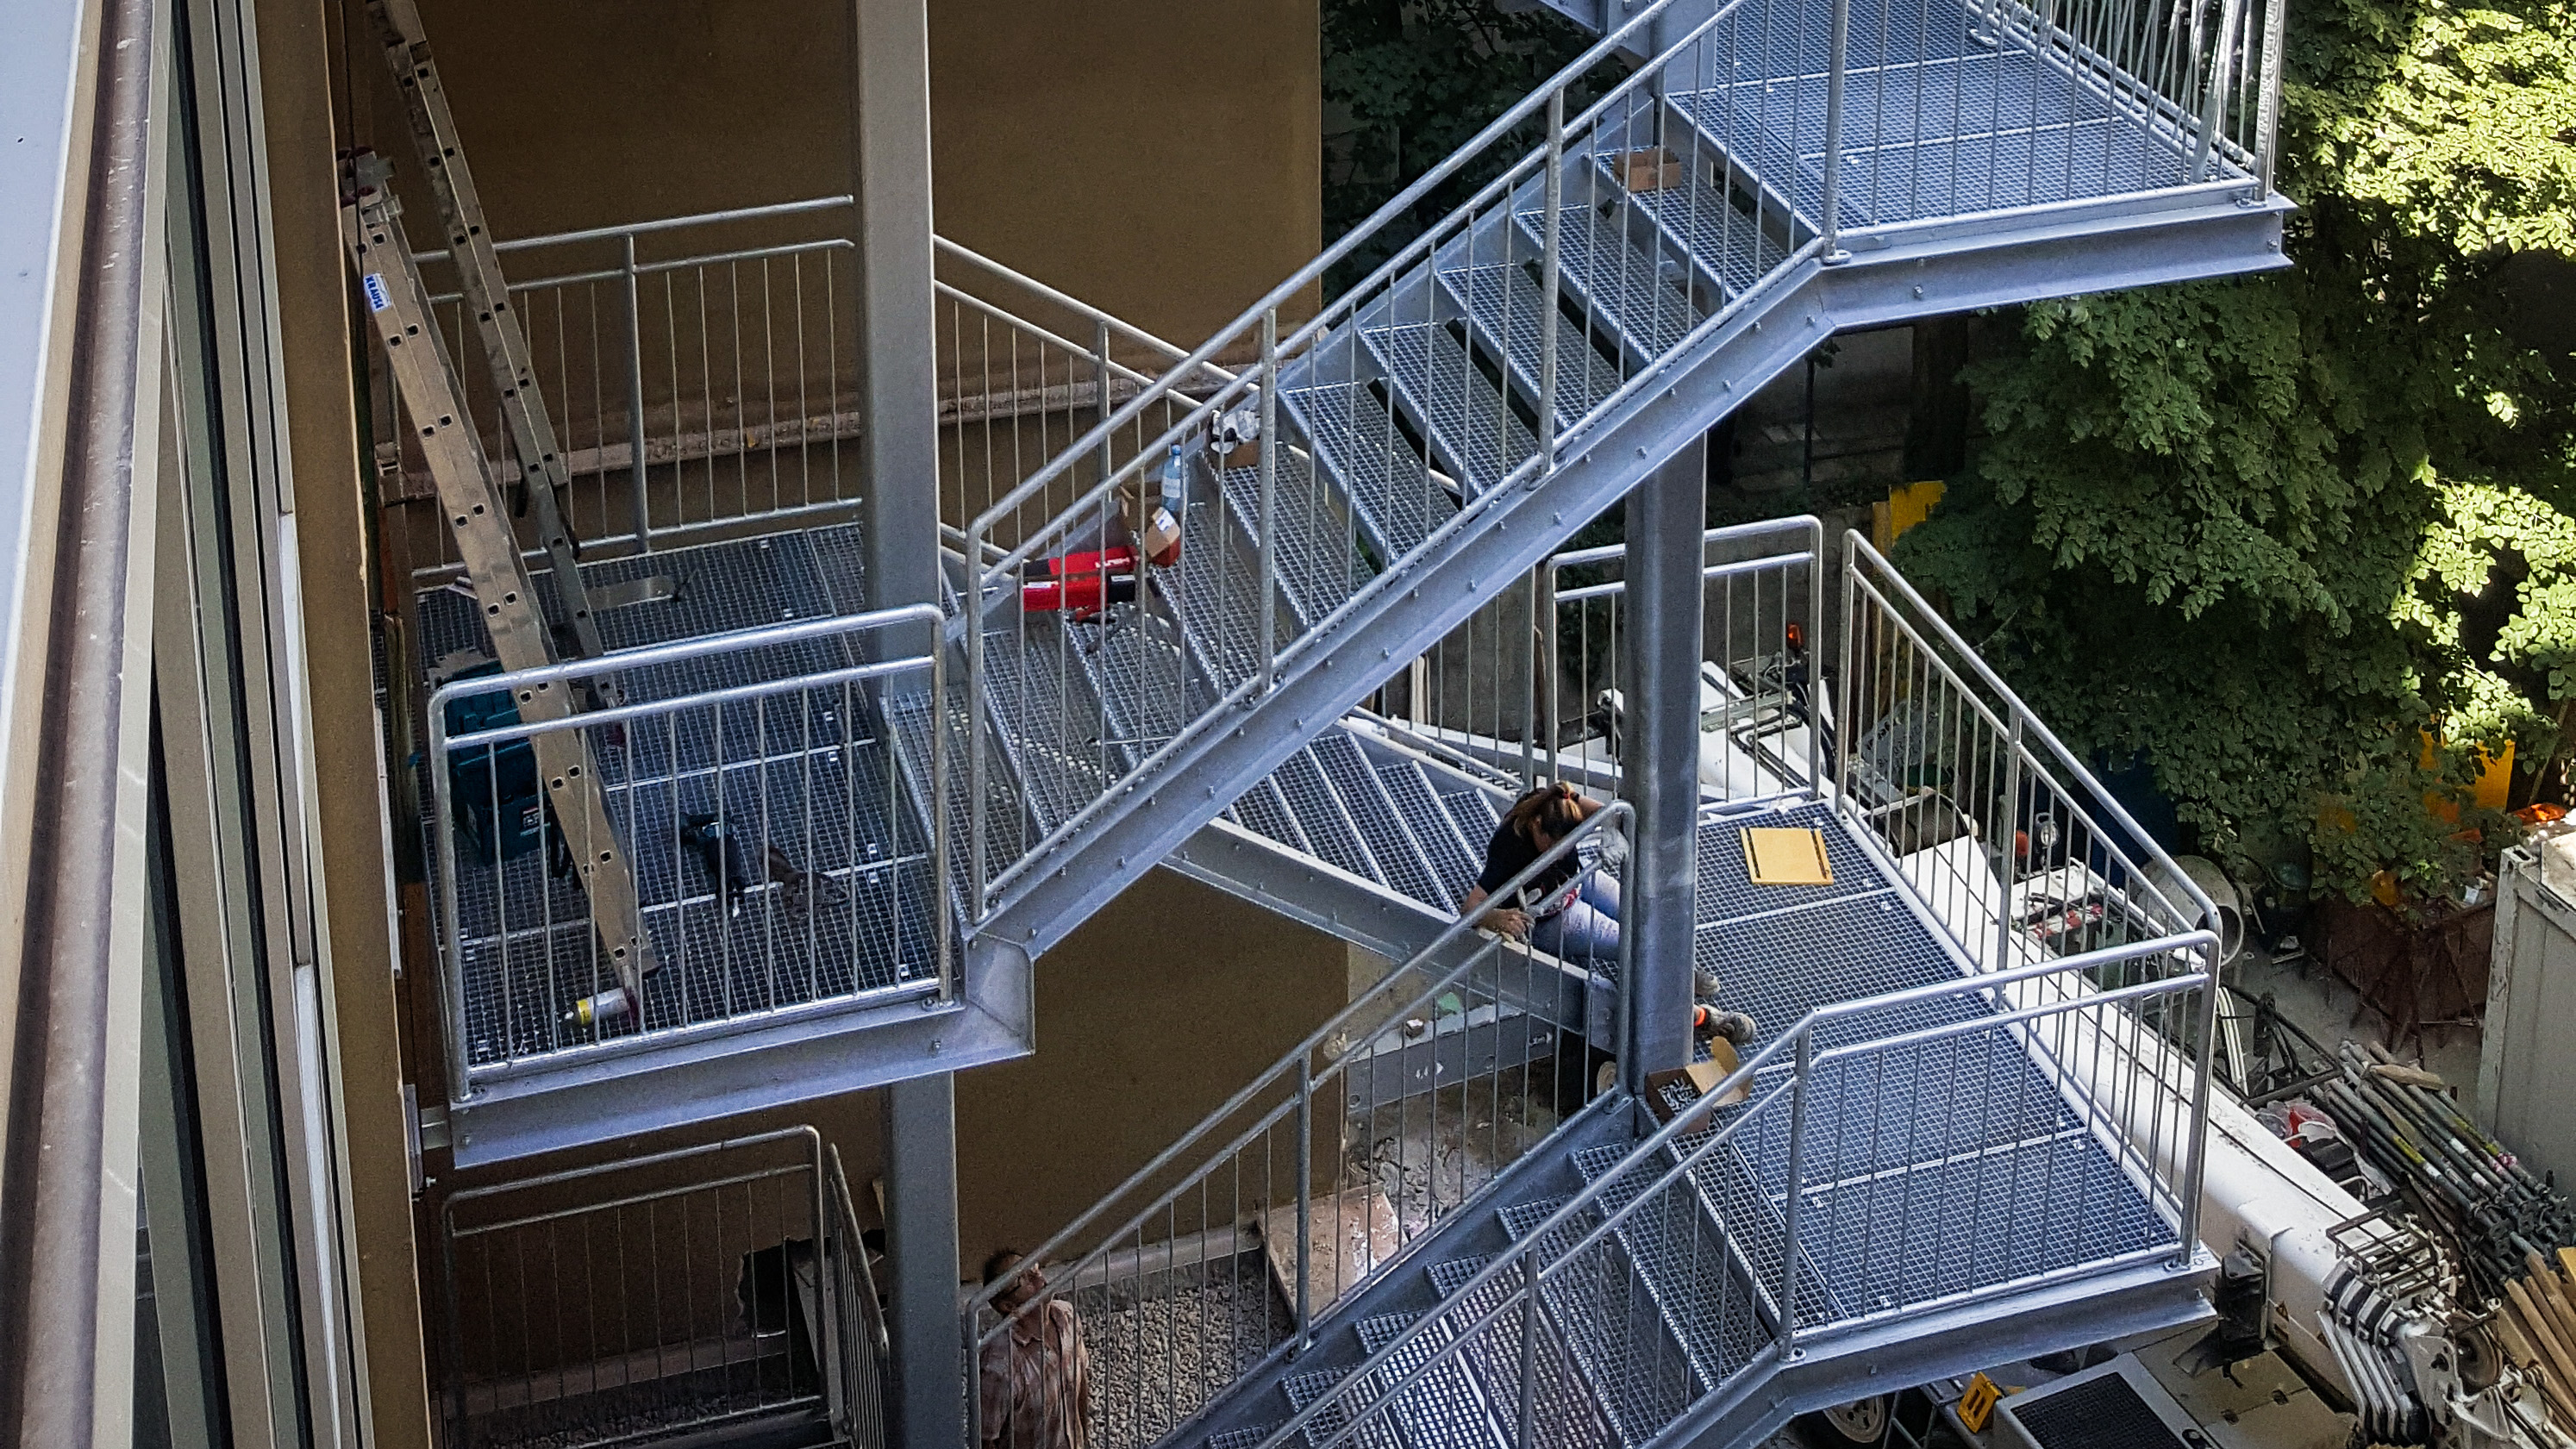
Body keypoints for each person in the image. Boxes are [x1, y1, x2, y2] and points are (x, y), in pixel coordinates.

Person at [1461, 782, 1620, 961]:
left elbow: (1605, 812)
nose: (1560, 855)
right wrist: (1495, 918)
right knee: (1623, 943)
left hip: (1577, 879)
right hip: (1551, 916)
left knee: (1633, 907)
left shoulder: (1552, 802)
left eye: (1567, 846)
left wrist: (1612, 830)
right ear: (1536, 825)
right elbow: (1469, 907)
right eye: (1553, 846)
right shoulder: (1509, 848)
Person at [978, 1248, 1093, 1449]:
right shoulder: (1000, 1362)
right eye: (1021, 1278)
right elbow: (987, 1439)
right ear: (1008, 1306)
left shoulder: (1066, 1316)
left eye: (1032, 1265)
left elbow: (1081, 1381)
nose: (1035, 1274)